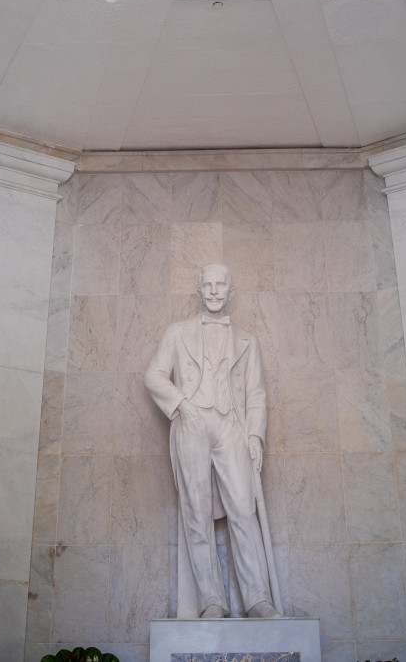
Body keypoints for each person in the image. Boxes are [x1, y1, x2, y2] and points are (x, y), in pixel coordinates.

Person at [144, 264, 280, 619]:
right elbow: (153, 376)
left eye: (221, 285)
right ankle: (212, 601)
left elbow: (257, 394)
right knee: (196, 512)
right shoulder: (177, 333)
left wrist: (255, 435)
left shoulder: (248, 341)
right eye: (208, 285)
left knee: (243, 510)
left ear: (231, 291)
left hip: (232, 425)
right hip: (191, 424)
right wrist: (182, 405)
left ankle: (258, 599)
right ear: (199, 290)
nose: (215, 291)